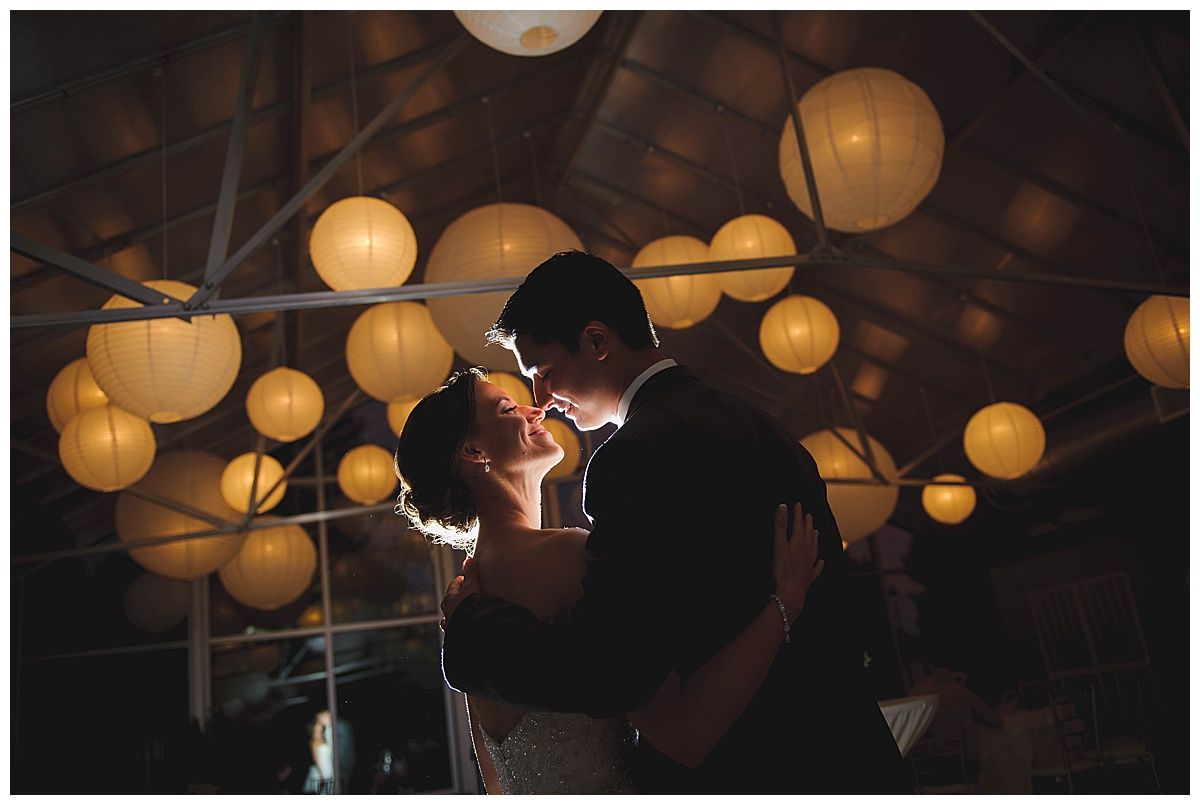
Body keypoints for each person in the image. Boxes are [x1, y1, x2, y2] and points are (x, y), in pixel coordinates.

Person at [436, 251, 910, 792]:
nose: (541, 400)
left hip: (749, 773)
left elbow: (611, 668)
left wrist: (470, 638)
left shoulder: (633, 457)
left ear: (596, 341)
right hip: (851, 753)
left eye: (543, 372)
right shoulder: (763, 427)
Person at [396, 368, 825, 793]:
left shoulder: (469, 606)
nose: (535, 411)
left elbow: (497, 784)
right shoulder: (564, 559)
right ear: (474, 451)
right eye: (508, 408)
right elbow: (685, 735)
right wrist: (783, 604)